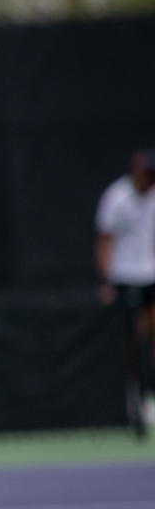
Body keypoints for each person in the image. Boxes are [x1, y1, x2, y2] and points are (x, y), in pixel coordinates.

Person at [96, 149, 155, 428]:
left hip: (150, 276)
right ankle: (133, 400)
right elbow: (105, 240)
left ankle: (150, 398)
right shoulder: (115, 198)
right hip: (125, 277)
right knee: (132, 341)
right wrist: (106, 280)